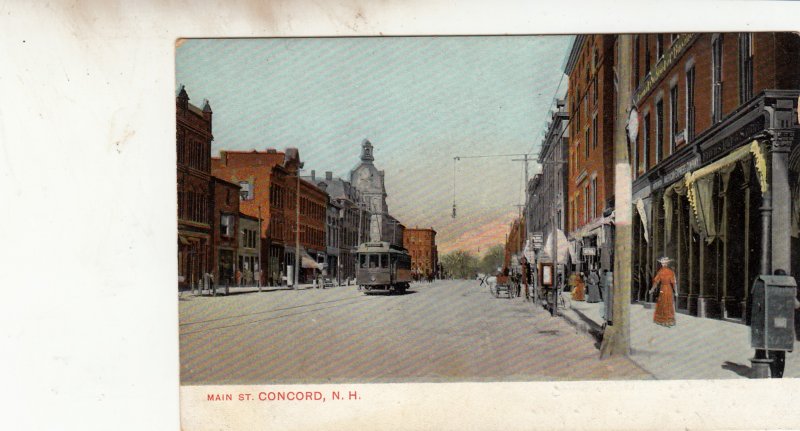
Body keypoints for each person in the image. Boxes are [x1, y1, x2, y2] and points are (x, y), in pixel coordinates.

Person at [650, 256, 676, 327]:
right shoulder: (671, 272)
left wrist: (652, 290)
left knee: (662, 303)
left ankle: (662, 320)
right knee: (669, 303)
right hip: (669, 289)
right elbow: (674, 283)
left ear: (662, 264)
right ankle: (669, 320)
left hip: (663, 289)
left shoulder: (660, 272)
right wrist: (676, 292)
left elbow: (656, 282)